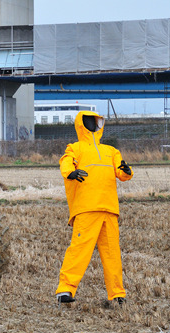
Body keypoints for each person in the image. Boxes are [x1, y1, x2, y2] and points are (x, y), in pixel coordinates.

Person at [55, 111, 133, 305]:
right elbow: (65, 163)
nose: (93, 123)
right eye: (89, 120)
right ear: (81, 124)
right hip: (86, 208)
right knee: (79, 251)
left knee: (112, 254)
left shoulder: (111, 151)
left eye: (96, 120)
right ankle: (65, 290)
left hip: (109, 209)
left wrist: (127, 171)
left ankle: (117, 294)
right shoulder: (75, 148)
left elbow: (122, 173)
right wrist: (70, 173)